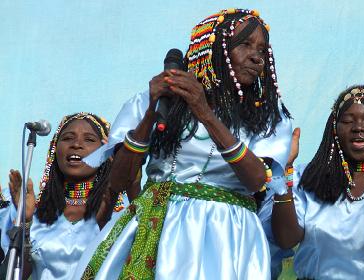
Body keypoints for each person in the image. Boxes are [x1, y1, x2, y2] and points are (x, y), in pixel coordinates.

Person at [78, 8, 292, 280]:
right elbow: (119, 181)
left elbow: (257, 180)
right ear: (210, 50)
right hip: (156, 226)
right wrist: (151, 113)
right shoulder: (154, 100)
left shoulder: (270, 117)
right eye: (245, 45)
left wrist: (204, 112)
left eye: (262, 50)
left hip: (227, 236)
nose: (256, 57)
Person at [270, 85, 364, 279]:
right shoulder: (307, 178)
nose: (358, 128)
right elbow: (286, 240)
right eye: (348, 121)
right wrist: (284, 174)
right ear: (335, 128)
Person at [7, 112, 124, 279]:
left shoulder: (123, 210)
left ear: (105, 152)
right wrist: (25, 222)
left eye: (89, 139)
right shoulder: (35, 211)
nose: (76, 144)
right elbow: (16, 274)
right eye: (68, 138)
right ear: (55, 149)